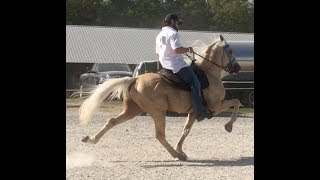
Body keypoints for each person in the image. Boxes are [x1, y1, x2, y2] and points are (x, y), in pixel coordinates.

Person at [155, 13, 213, 121]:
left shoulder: (159, 35)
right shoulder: (173, 33)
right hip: (176, 65)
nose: (178, 26)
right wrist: (189, 49)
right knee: (195, 83)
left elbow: (158, 54)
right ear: (172, 22)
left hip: (164, 65)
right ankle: (200, 112)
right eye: (177, 23)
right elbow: (177, 49)